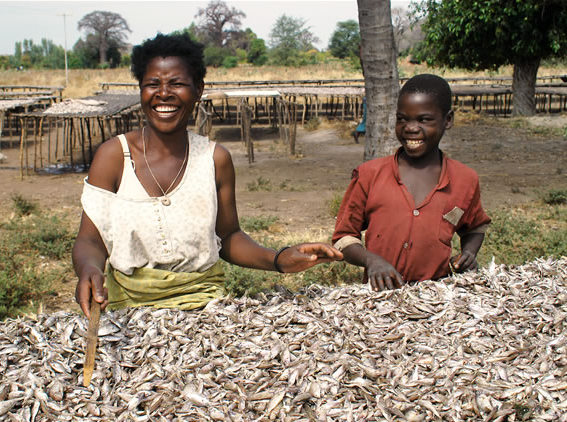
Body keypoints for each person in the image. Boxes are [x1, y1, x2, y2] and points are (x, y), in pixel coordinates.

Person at [73, 33, 342, 317]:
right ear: (141, 90)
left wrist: (279, 258)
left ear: (198, 90)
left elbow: (229, 236)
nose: (163, 93)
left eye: (176, 83)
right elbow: (90, 240)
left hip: (205, 307)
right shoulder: (114, 156)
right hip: (127, 308)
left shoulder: (214, 159)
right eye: (153, 84)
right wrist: (89, 269)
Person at [332, 74, 490, 291]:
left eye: (424, 119)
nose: (410, 128)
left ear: (448, 120)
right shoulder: (369, 175)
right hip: (379, 298)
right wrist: (371, 260)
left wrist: (469, 253)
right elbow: (344, 236)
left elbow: (474, 226)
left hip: (435, 298)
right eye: (402, 118)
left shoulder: (465, 180)